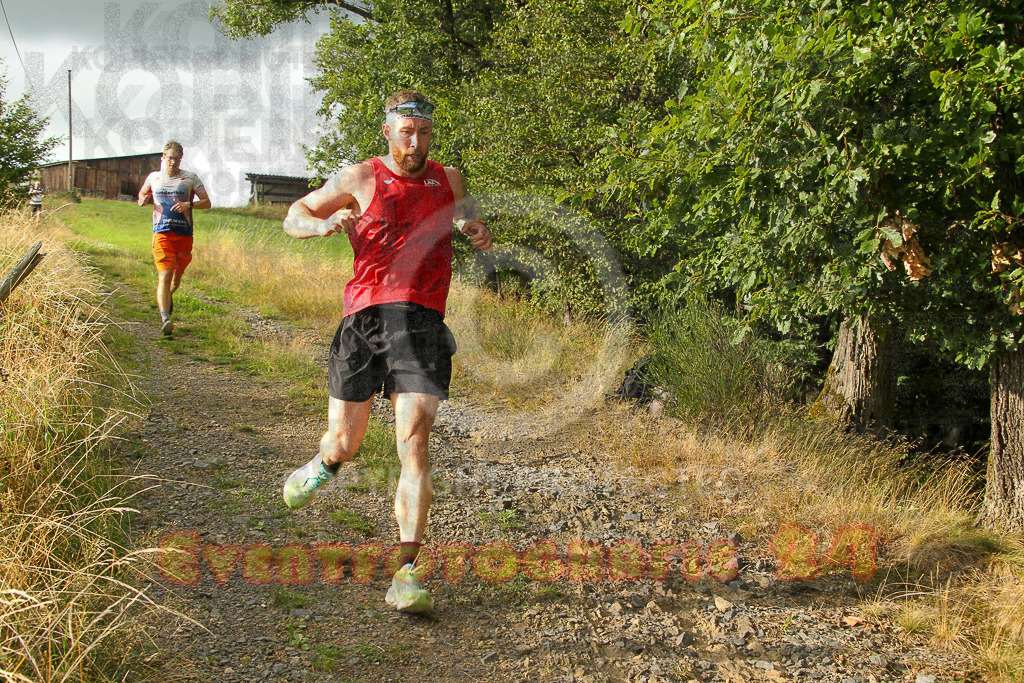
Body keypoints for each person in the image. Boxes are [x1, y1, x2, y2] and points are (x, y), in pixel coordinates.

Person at [281, 90, 492, 613]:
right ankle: (323, 466)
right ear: (389, 133)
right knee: (345, 443)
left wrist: (474, 227)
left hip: (421, 320)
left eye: (423, 133)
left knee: (414, 438)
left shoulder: (449, 178)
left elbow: (466, 214)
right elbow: (294, 214)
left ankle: (406, 574)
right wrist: (322, 224)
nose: (415, 143)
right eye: (406, 133)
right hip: (365, 318)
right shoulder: (360, 177)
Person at [138, 141, 212, 335]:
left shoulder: (190, 178)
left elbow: (207, 202)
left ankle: (167, 299)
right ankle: (165, 319)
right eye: (169, 158)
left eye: (176, 159)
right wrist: (143, 200)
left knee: (175, 281)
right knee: (165, 275)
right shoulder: (153, 177)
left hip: (184, 236)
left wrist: (190, 205)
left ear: (181, 160)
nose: (173, 162)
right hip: (161, 233)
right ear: (163, 157)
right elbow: (142, 195)